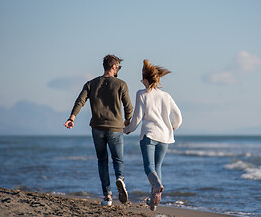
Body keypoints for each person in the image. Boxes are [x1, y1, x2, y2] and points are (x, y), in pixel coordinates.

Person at [64, 54, 133, 206]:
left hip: (97, 128)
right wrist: (127, 122)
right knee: (118, 159)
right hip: (115, 127)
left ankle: (107, 197)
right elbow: (128, 106)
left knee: (102, 161)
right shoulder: (121, 84)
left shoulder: (91, 84)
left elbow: (80, 101)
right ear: (114, 67)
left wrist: (72, 118)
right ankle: (120, 179)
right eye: (118, 67)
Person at [124, 59, 182, 211]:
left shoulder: (141, 94)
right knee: (157, 168)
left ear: (145, 78)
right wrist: (172, 128)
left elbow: (136, 119)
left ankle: (157, 187)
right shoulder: (166, 96)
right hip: (165, 137)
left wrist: (127, 130)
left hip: (149, 135)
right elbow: (178, 116)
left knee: (149, 167)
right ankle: (153, 201)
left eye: (141, 77)